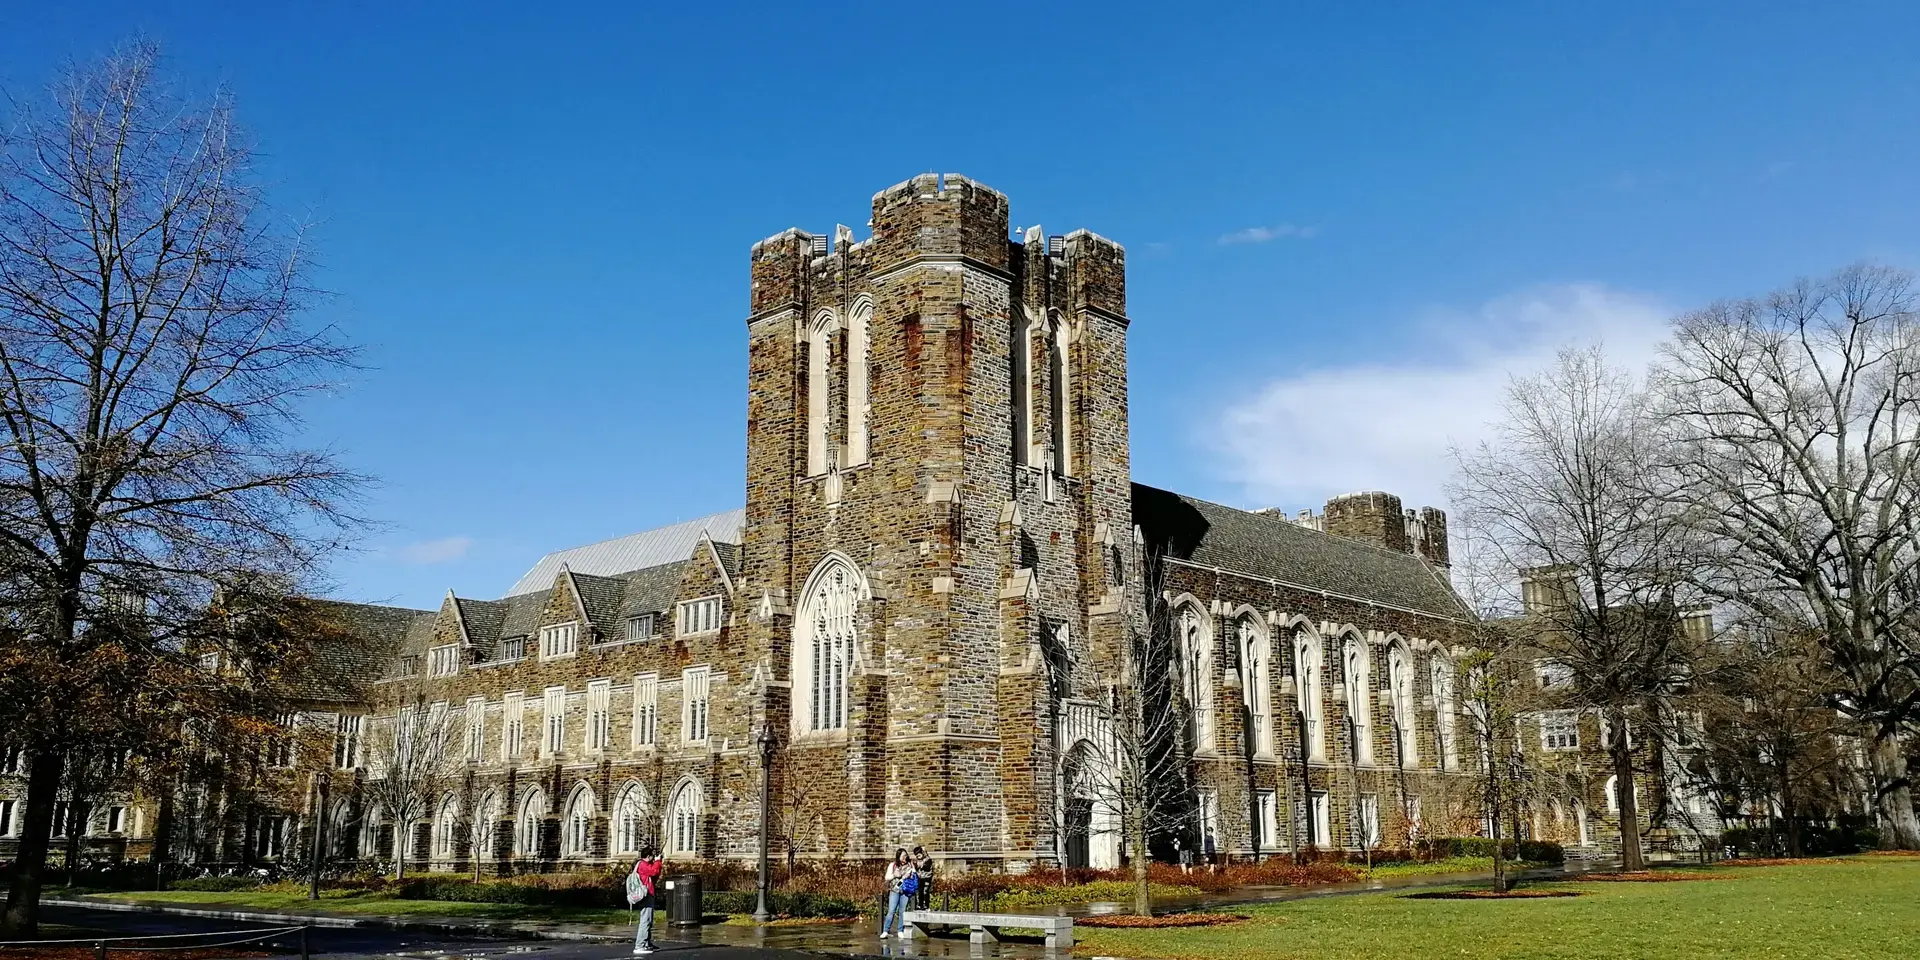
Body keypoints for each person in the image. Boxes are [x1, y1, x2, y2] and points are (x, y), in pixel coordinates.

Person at [628, 846, 663, 955]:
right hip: (645, 895)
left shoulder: (643, 864)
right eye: (652, 856)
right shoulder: (642, 865)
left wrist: (658, 862)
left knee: (649, 920)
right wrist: (658, 862)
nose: (653, 858)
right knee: (645, 920)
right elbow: (653, 871)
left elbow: (655, 874)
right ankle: (640, 945)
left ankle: (647, 943)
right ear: (648, 856)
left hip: (647, 894)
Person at [879, 848, 912, 939]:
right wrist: (894, 875)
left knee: (902, 911)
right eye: (903, 856)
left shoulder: (910, 865)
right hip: (895, 890)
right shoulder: (892, 865)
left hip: (905, 891)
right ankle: (886, 930)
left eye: (906, 855)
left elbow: (915, 875)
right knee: (891, 911)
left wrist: (909, 875)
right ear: (899, 857)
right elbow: (887, 877)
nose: (905, 857)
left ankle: (900, 930)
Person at [910, 846, 935, 910]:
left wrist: (924, 851)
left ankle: (926, 905)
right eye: (917, 856)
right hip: (920, 878)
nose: (918, 857)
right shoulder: (917, 860)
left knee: (925, 891)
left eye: (919, 855)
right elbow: (915, 868)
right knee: (920, 891)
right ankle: (920, 904)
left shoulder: (927, 859)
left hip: (927, 877)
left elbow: (925, 866)